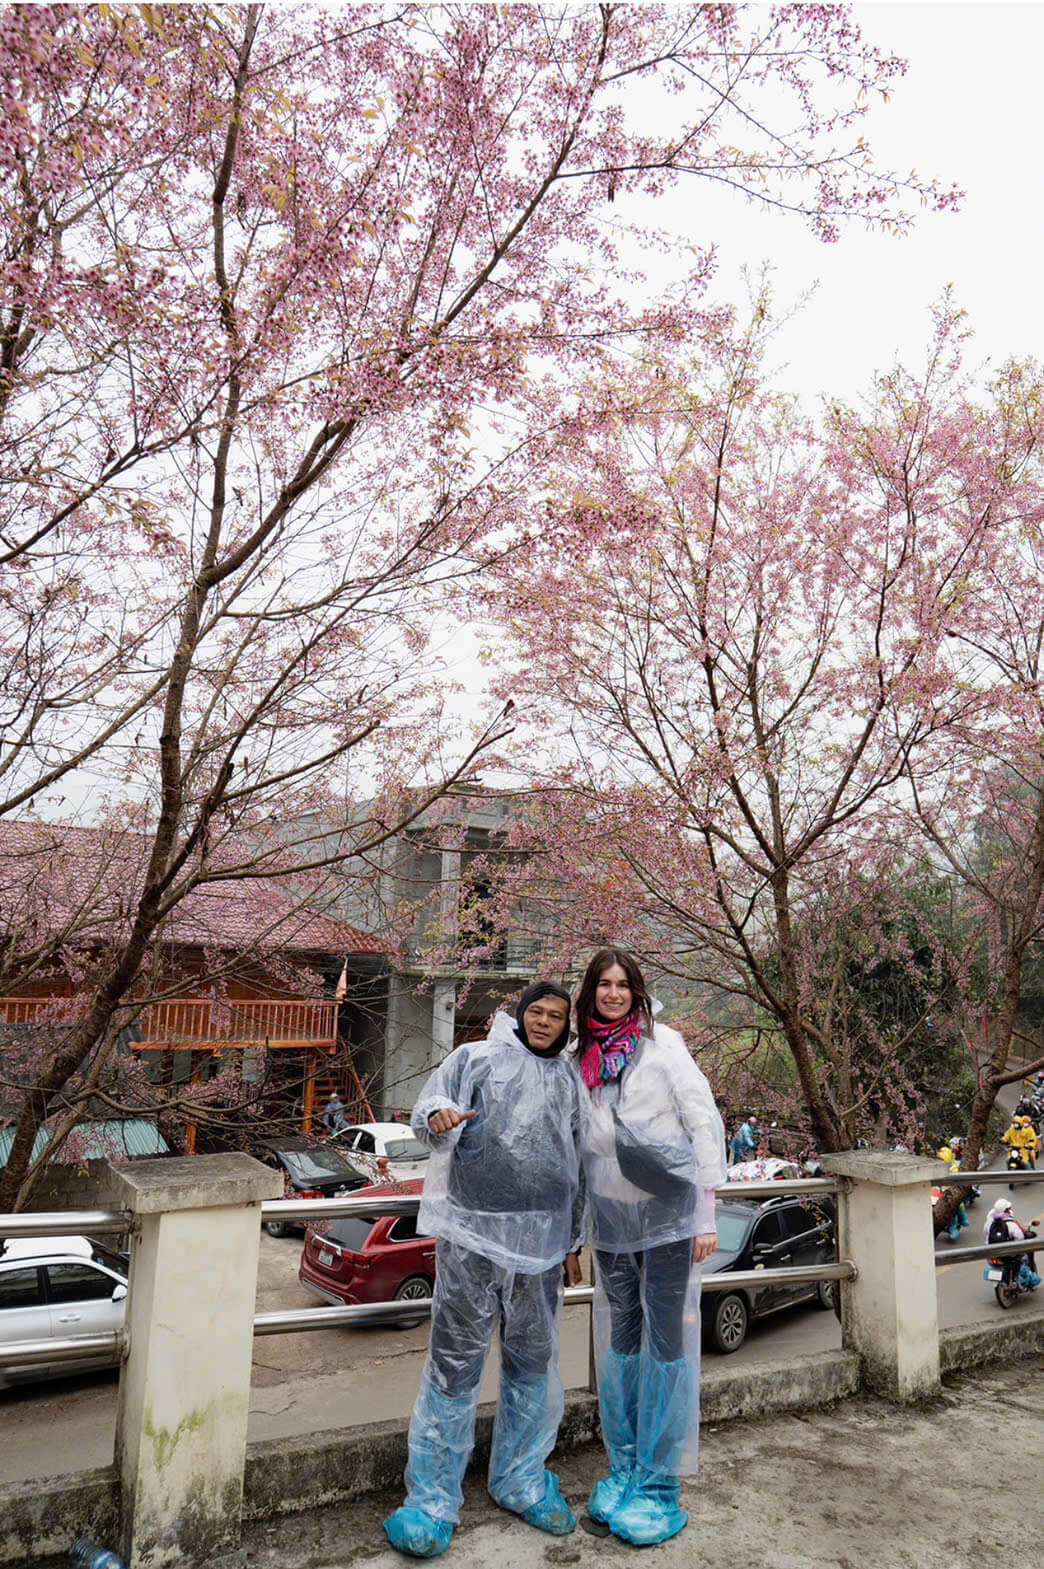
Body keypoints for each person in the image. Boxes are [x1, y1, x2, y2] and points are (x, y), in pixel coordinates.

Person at [382, 982, 584, 1560]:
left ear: (566, 1025)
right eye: (535, 1011)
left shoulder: (571, 1080)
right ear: (520, 1015)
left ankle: (520, 1480)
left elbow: (581, 1166)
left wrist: (574, 1241)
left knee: (532, 1364)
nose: (543, 1022)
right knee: (453, 1366)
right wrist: (438, 1118)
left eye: (555, 1016)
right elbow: (428, 1112)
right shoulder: (474, 1059)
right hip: (471, 1238)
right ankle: (430, 1500)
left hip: (541, 1248)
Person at [572, 947, 726, 1548]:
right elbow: (578, 1148)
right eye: (603, 984)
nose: (613, 994)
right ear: (591, 992)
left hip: (666, 1216)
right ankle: (626, 1466)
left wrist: (705, 1215)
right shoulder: (582, 1057)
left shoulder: (664, 1046)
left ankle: (660, 1484)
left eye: (623, 985)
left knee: (664, 1342)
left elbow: (702, 1122)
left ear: (637, 992)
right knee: (621, 1340)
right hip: (612, 1221)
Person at [984, 1198, 1040, 1290]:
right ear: (1006, 1210)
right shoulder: (1010, 1223)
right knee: (1024, 1257)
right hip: (1008, 1253)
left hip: (991, 1252)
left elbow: (986, 1234)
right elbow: (1020, 1237)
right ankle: (1028, 1279)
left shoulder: (989, 1221)